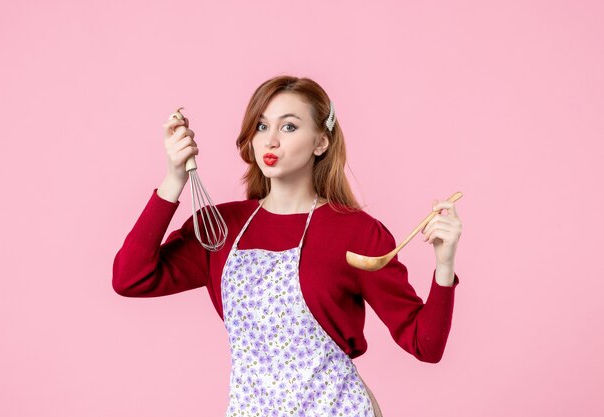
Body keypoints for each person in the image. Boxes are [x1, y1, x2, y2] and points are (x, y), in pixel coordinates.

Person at [112, 75, 462, 417]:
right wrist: (174, 178)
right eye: (261, 127)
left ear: (321, 142)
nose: (271, 141)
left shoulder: (358, 233)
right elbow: (130, 278)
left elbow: (425, 345)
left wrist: (444, 264)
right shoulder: (220, 230)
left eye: (289, 126)